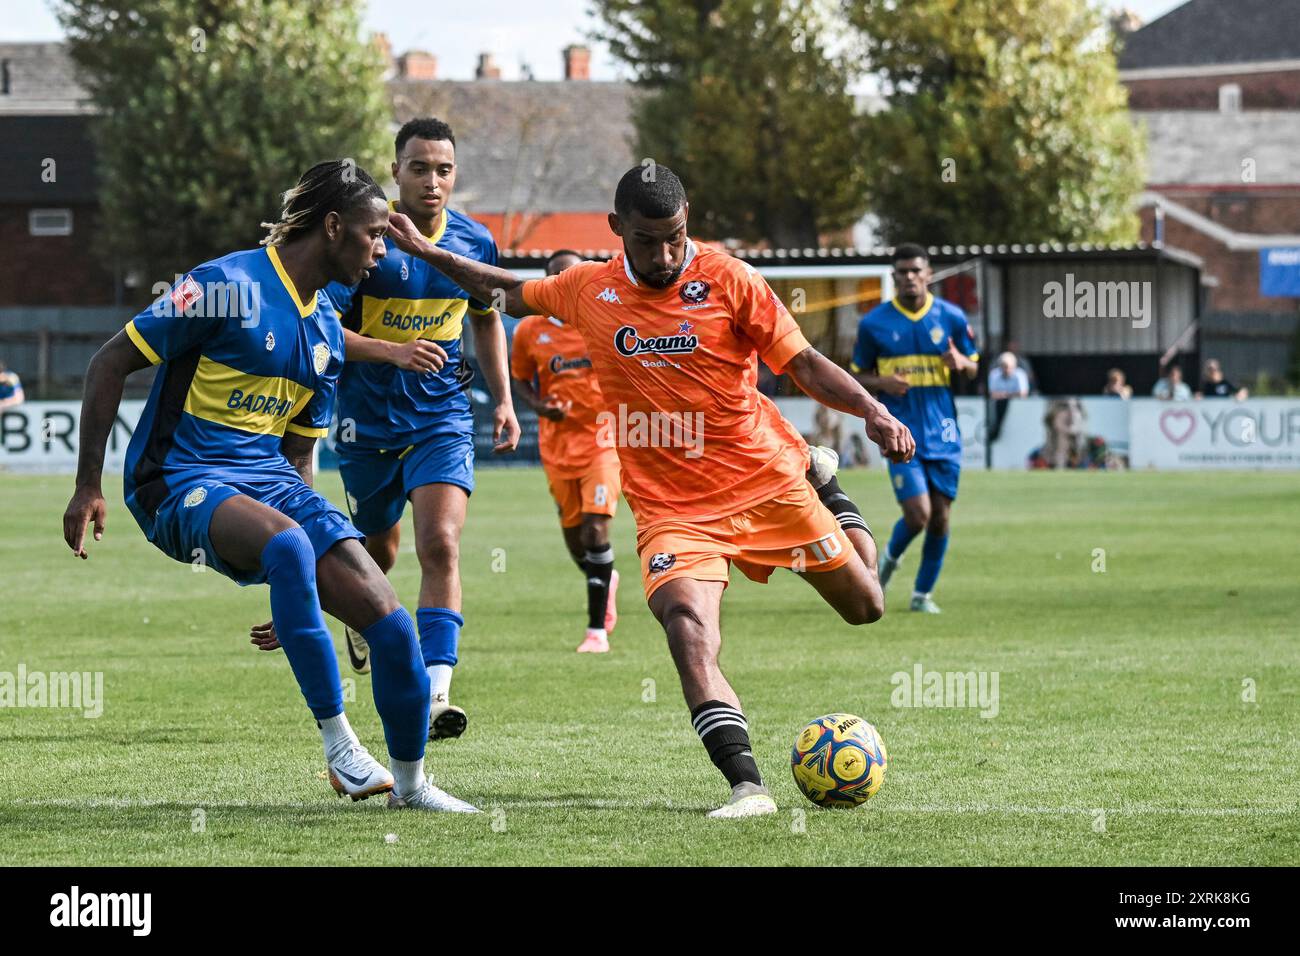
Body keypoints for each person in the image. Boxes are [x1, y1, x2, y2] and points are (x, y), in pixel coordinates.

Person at [381, 164, 914, 818]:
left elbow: (802, 363)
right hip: (673, 509)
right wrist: (427, 251)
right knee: (687, 628)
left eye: (676, 237)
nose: (665, 255)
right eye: (647, 241)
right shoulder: (588, 289)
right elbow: (507, 291)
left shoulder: (731, 280)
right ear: (615, 231)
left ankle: (825, 483)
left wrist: (874, 412)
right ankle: (747, 786)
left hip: (765, 480)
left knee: (868, 605)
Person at [61, 160, 476, 812]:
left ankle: (413, 787)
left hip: (266, 482)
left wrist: (300, 593)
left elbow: (299, 459)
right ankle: (341, 749)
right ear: (334, 227)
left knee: (392, 628)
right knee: (287, 545)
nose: (379, 251)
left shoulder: (324, 335)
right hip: (176, 481)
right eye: (372, 235)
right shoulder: (222, 285)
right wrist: (89, 484)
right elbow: (109, 360)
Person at [324, 118, 521, 742]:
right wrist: (392, 351)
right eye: (419, 168)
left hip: (441, 417)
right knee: (378, 552)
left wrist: (503, 401)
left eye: (443, 169)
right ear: (396, 172)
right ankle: (361, 614)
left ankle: (437, 693)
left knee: (440, 544)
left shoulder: (475, 242)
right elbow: (324, 333)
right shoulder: (366, 241)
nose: (432, 181)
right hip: (367, 423)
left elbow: (486, 318)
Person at [851, 244, 979, 614]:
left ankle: (922, 595)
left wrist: (961, 364)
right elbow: (856, 375)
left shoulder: (951, 317)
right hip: (900, 430)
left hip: (944, 430)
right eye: (902, 272)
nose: (909, 277)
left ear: (927, 274)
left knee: (940, 516)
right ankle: (887, 563)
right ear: (894, 277)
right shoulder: (874, 323)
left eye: (915, 271)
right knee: (918, 514)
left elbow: (973, 366)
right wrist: (882, 383)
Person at [509, 249, 621, 653]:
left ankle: (596, 633)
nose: (567, 284)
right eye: (557, 277)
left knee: (595, 529)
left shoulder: (606, 322)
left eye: (573, 276)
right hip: (556, 446)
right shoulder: (529, 330)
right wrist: (539, 406)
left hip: (604, 442)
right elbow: (520, 378)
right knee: (577, 540)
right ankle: (605, 575)